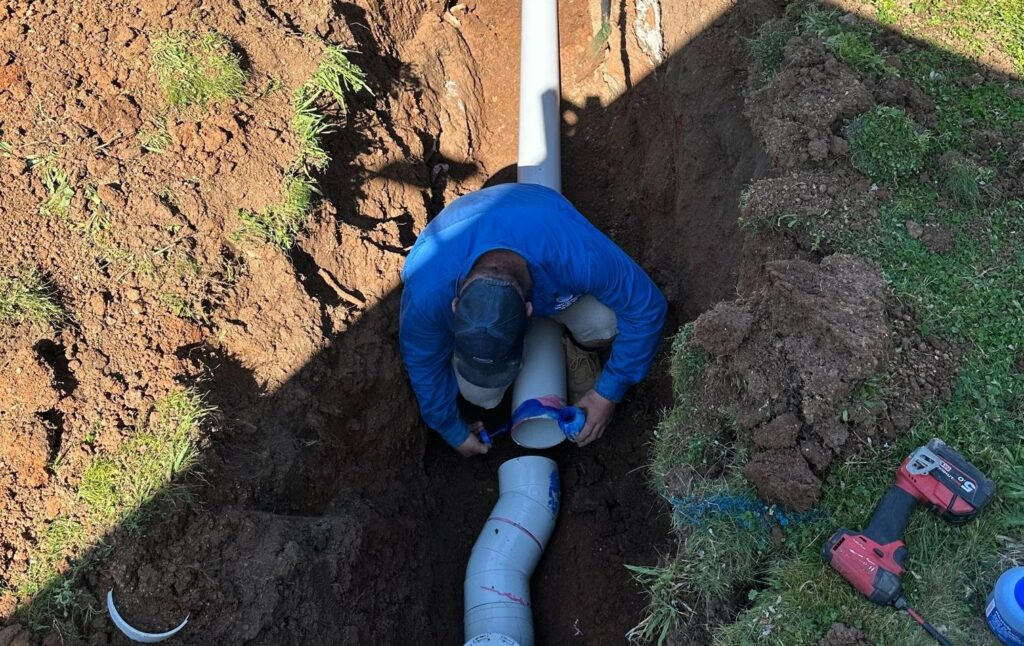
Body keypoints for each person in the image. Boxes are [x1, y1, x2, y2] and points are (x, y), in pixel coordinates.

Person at [399, 182, 667, 457]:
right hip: (461, 229)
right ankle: (495, 352)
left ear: (530, 311)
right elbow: (422, 360)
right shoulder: (427, 292)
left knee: (605, 323)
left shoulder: (573, 253)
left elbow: (647, 308)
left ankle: (577, 346)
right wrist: (451, 428)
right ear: (454, 305)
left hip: (538, 216)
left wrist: (608, 392)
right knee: (482, 395)